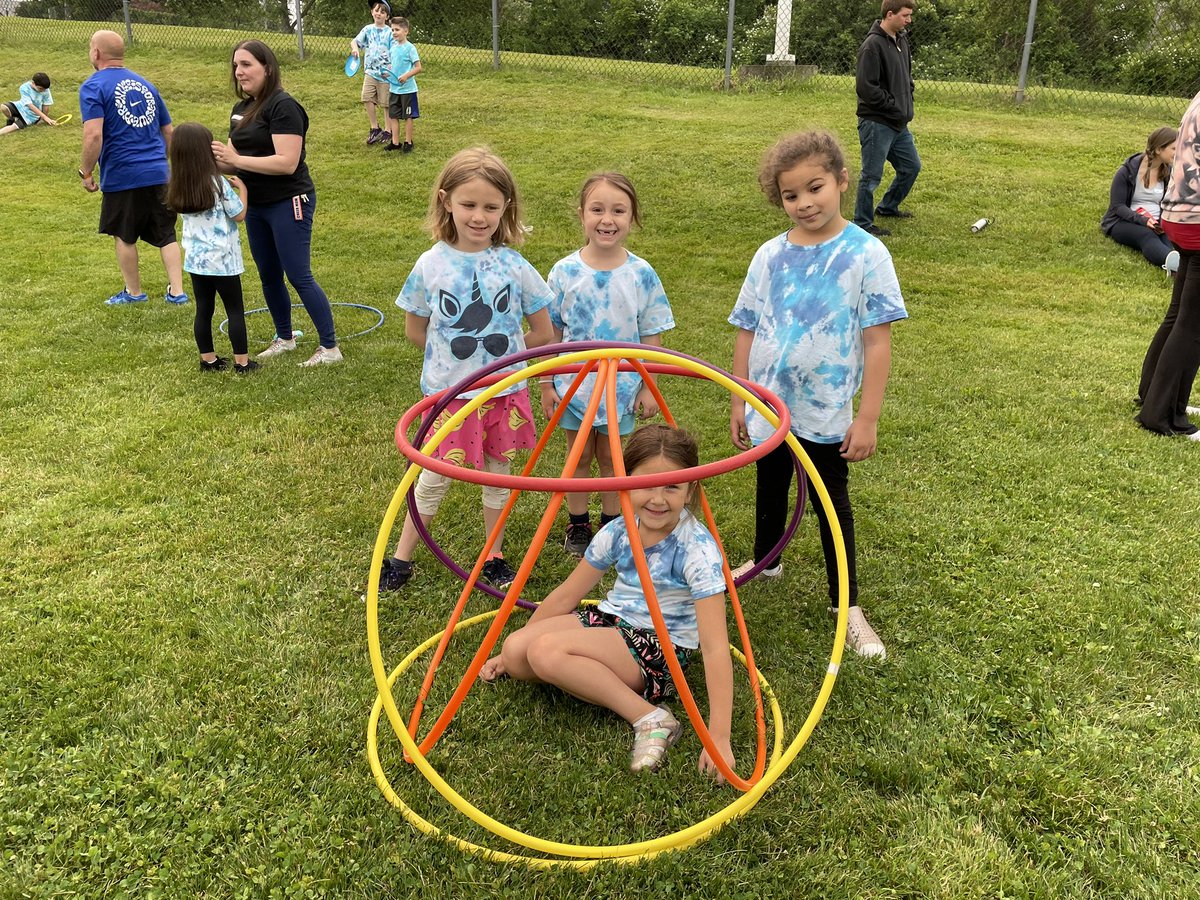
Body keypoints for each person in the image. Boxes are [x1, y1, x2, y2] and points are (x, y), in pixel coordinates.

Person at [729, 131, 908, 659]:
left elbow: (877, 342)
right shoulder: (770, 254)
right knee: (770, 483)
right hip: (768, 403)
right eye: (791, 195)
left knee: (832, 504)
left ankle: (846, 605)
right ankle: (767, 561)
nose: (804, 203)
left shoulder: (866, 253)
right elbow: (747, 327)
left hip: (826, 410)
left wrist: (867, 418)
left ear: (841, 180)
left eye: (815, 188)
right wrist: (739, 397)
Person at [478, 424, 736, 779]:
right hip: (610, 620)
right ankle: (580, 670)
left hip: (659, 648)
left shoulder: (697, 550)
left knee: (545, 653)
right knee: (517, 652)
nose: (658, 499)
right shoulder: (619, 530)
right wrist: (506, 656)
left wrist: (719, 736)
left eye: (672, 487)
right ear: (625, 482)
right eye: (646, 485)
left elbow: (715, 647)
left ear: (690, 489)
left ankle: (650, 718)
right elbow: (567, 595)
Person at [378, 147, 555, 591]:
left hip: (504, 395)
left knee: (498, 476)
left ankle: (494, 555)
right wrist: (456, 365)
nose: (480, 216)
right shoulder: (431, 264)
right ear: (446, 201)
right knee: (433, 476)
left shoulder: (513, 265)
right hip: (451, 397)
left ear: (506, 207)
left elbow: (544, 331)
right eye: (469, 204)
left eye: (491, 207)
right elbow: (415, 330)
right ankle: (401, 558)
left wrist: (505, 360)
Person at [542, 173, 674, 558]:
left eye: (618, 211)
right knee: (579, 456)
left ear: (632, 218)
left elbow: (651, 335)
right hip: (574, 386)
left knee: (613, 458)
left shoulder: (641, 274)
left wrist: (649, 386)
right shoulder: (564, 272)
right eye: (597, 209)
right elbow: (551, 334)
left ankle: (612, 523)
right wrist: (547, 384)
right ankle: (578, 524)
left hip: (622, 387)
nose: (607, 219)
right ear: (581, 214)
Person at [211, 40, 342, 367]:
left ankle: (330, 348)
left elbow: (287, 162)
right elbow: (230, 160)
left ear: (267, 68)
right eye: (236, 65)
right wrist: (198, 156)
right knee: (269, 274)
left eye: (246, 64)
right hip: (256, 204)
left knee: (298, 274)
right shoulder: (240, 108)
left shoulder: (283, 106)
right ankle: (285, 338)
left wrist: (236, 160)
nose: (239, 72)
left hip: (289, 200)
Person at [78, 31, 187, 306]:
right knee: (166, 233)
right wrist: (167, 166)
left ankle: (134, 292)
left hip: (123, 173)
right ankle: (177, 292)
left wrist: (86, 172)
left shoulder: (93, 86)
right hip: (159, 172)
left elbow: (93, 135)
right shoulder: (146, 85)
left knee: (124, 234)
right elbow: (169, 132)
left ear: (96, 53)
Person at [166, 122, 257, 375]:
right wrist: (243, 189)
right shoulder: (218, 184)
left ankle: (208, 360)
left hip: (196, 261)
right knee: (234, 310)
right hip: (223, 261)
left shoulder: (178, 184)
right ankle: (242, 363)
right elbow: (239, 215)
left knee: (204, 309)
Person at [1136, 92, 1200, 440]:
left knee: (1180, 316)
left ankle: (1155, 395)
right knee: (1193, 325)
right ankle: (1162, 415)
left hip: (1178, 214)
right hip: (1197, 218)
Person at [853, 0, 920, 238]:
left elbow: (906, 77)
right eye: (905, 15)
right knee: (871, 175)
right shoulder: (872, 46)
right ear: (890, 14)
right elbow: (866, 89)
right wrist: (893, 106)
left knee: (911, 167)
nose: (909, 20)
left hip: (898, 123)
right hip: (877, 122)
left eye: (910, 15)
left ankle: (888, 207)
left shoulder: (901, 40)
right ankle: (862, 223)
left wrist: (906, 98)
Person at [1101, 127, 1179, 273]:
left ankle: (1176, 266)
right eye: (1174, 148)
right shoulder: (1127, 171)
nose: (1178, 152)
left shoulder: (1169, 172)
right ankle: (1173, 264)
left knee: (1168, 236)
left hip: (1156, 222)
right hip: (1124, 221)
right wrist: (1143, 220)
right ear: (1158, 149)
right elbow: (1117, 206)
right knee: (1146, 234)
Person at [350, 0, 393, 145]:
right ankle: (375, 128)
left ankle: (388, 130)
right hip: (370, 72)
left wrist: (392, 69)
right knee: (366, 97)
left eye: (382, 12)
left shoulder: (390, 32)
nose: (378, 14)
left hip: (386, 74)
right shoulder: (367, 30)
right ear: (372, 12)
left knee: (386, 103)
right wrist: (355, 49)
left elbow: (395, 51)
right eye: (376, 10)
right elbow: (354, 42)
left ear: (387, 16)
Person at [382, 16, 421, 153]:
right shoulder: (393, 48)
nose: (394, 32)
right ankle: (395, 142)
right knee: (393, 115)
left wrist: (406, 76)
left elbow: (418, 67)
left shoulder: (410, 48)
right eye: (392, 30)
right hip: (394, 89)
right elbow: (393, 66)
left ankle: (408, 142)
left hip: (408, 90)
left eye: (397, 30)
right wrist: (388, 73)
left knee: (408, 116)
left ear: (406, 31)